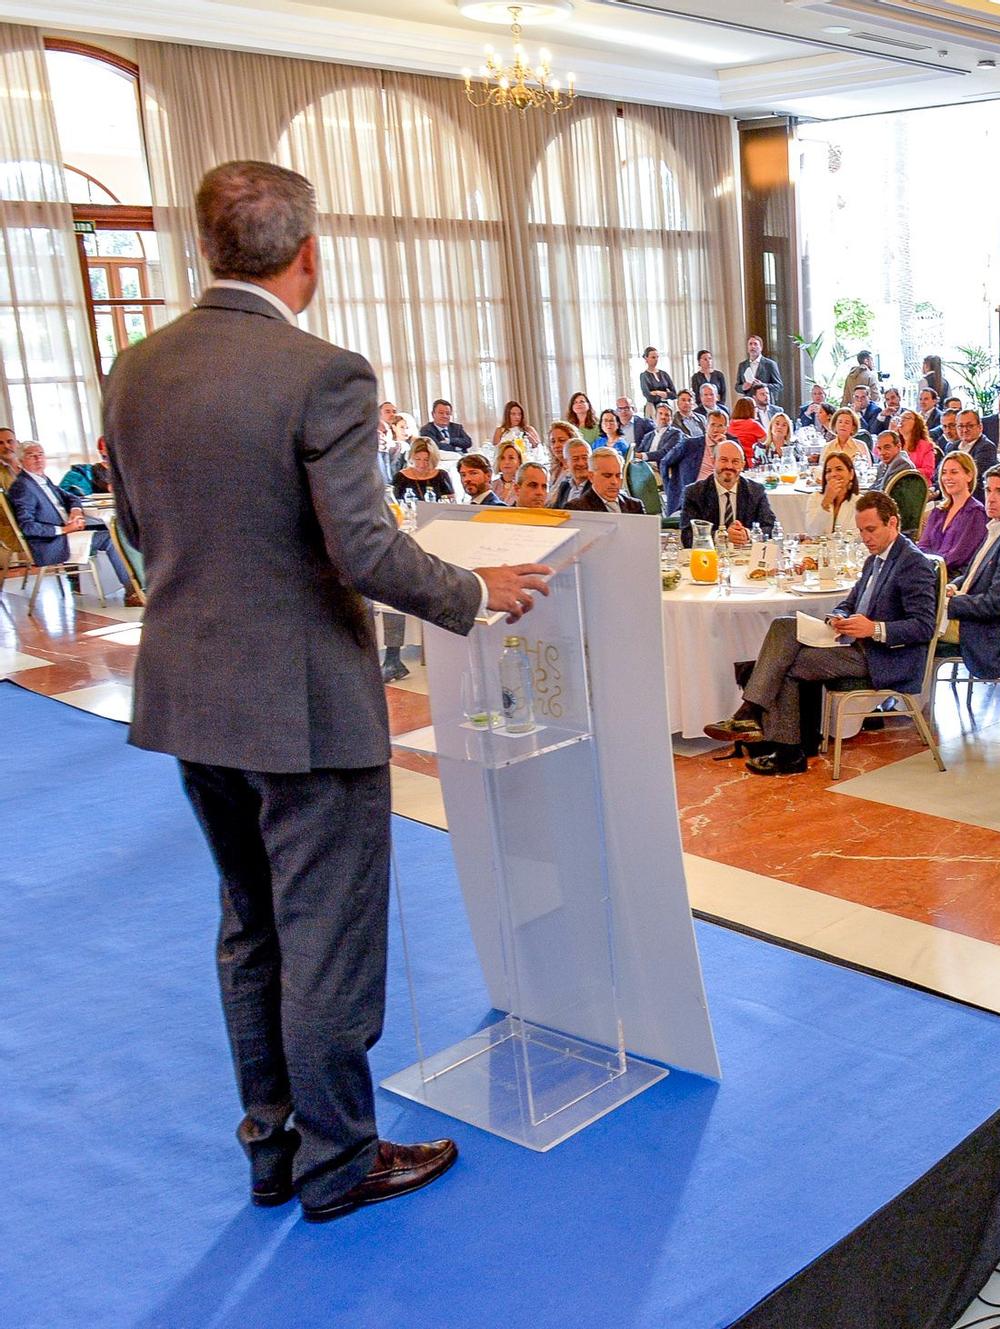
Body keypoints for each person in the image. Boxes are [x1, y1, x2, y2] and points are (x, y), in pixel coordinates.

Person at [101, 159, 550, 1222]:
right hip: (302, 707)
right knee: (326, 942)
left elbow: (132, 525)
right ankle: (342, 1162)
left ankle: (272, 1146)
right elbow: (362, 549)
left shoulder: (136, 367)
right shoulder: (324, 373)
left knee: (248, 926)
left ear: (208, 248)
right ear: (309, 254)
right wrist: (475, 589)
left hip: (188, 697)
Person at [705, 491, 939, 775]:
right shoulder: (873, 560)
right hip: (855, 644)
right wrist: (838, 616)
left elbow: (924, 626)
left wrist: (875, 628)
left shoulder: (913, 563)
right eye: (861, 530)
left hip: (885, 656)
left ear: (893, 523)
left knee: (788, 663)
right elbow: (849, 602)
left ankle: (775, 737)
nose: (865, 538)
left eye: (871, 530)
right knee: (784, 624)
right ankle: (763, 726)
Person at [7, 441, 141, 605]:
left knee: (117, 528)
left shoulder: (41, 478)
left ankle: (139, 582)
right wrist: (64, 529)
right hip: (52, 543)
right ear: (21, 461)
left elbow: (71, 497)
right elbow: (27, 527)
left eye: (40, 454)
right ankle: (132, 592)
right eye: (31, 455)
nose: (38, 459)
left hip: (68, 532)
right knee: (112, 538)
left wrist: (76, 511)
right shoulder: (22, 486)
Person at [941, 464, 1000, 676]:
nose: (991, 498)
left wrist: (948, 603)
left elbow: (995, 605)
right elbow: (972, 575)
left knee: (912, 624)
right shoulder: (998, 526)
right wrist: (951, 586)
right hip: (969, 613)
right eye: (988, 490)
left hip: (983, 632)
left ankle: (906, 698)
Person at [682, 440, 774, 545]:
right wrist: (722, 536)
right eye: (723, 460)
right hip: (710, 555)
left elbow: (771, 527)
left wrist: (747, 534)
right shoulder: (695, 493)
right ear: (713, 461)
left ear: (742, 465)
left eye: (735, 461)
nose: (729, 466)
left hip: (745, 555)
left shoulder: (756, 491)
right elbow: (687, 536)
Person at [919, 450, 987, 578]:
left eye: (954, 472)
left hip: (952, 577)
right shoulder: (938, 511)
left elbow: (958, 556)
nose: (947, 477)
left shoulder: (976, 513)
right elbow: (923, 545)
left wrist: (928, 568)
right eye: (944, 473)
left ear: (969, 476)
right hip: (929, 571)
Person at [565, 446, 645, 513]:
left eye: (618, 475)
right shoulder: (576, 509)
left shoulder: (635, 506)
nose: (614, 482)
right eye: (607, 476)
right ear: (591, 477)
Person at [802, 450, 861, 537]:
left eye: (839, 469)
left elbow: (853, 536)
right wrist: (826, 501)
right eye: (828, 471)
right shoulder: (815, 498)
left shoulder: (859, 502)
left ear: (851, 474)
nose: (833, 474)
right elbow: (813, 532)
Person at [391, 437, 457, 503]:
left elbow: (451, 502)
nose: (422, 464)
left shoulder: (442, 475)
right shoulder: (400, 477)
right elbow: (394, 503)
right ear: (411, 457)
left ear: (433, 459)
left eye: (426, 460)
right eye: (417, 459)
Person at [735, 333, 783, 405]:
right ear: (747, 348)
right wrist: (743, 387)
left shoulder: (770, 364)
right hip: (749, 404)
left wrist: (763, 385)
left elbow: (779, 386)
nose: (752, 346)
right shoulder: (742, 365)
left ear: (761, 348)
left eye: (755, 344)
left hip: (766, 403)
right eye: (750, 344)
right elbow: (737, 387)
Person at [550, 437, 593, 508]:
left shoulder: (596, 487)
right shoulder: (564, 487)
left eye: (585, 458)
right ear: (566, 463)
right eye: (575, 459)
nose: (581, 463)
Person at [896, 409, 937, 483]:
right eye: (900, 418)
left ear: (916, 424)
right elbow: (877, 454)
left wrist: (906, 473)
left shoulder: (925, 446)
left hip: (917, 484)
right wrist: (891, 432)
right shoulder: (896, 444)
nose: (901, 421)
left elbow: (929, 471)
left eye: (906, 418)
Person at [726, 397, 767, 465]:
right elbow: (766, 441)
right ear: (751, 409)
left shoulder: (729, 424)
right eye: (755, 407)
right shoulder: (753, 424)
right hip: (750, 462)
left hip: (733, 461)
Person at [639, 346, 676, 413]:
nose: (656, 359)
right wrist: (666, 395)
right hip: (652, 408)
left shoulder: (664, 374)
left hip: (666, 407)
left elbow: (674, 395)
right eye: (653, 357)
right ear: (646, 358)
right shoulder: (644, 376)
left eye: (657, 357)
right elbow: (649, 397)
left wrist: (657, 392)